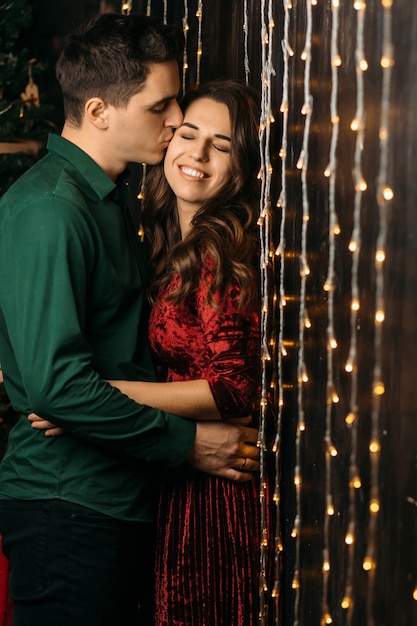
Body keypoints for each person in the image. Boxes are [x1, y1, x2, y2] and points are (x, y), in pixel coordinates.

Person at [0, 13, 260, 626]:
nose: (175, 123)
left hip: (122, 503)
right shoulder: (50, 212)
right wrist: (192, 444)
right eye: (161, 106)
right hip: (67, 504)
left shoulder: (117, 203)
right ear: (98, 112)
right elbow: (57, 389)